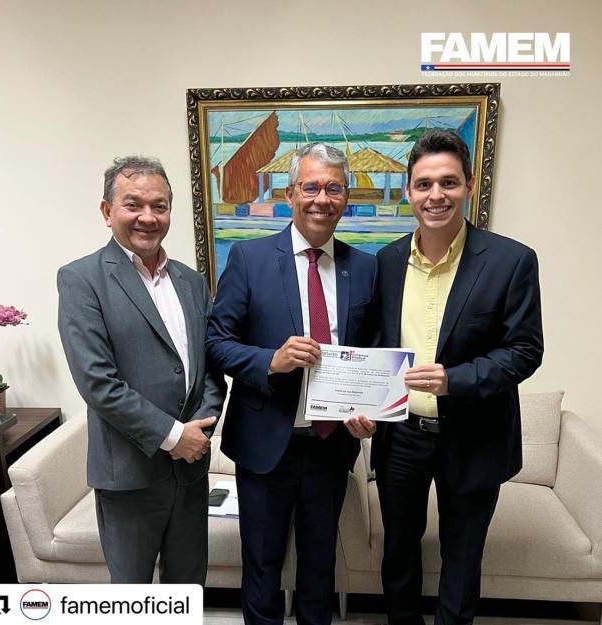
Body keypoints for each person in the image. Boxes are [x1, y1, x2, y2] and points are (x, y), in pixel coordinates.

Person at [358, 129, 544, 625]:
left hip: (475, 433)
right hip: (402, 437)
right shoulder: (387, 261)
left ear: (469, 186)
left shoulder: (511, 261)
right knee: (399, 551)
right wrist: (364, 404)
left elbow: (525, 351)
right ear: (408, 192)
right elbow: (377, 346)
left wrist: (453, 380)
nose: (435, 195)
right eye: (423, 184)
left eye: (448, 182)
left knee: (462, 557)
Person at [206, 143, 377, 625]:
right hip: (265, 445)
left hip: (331, 445)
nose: (322, 199)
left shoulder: (365, 267)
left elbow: (373, 351)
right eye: (311, 187)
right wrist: (271, 361)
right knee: (262, 566)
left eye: (334, 188)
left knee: (319, 568)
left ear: (346, 198)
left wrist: (371, 412)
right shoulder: (249, 257)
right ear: (289, 194)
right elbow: (216, 343)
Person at [57, 155, 226, 583]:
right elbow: (98, 383)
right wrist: (173, 436)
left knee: (187, 591)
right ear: (107, 211)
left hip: (190, 473)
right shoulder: (82, 280)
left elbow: (211, 369)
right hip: (129, 476)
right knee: (133, 600)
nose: (148, 217)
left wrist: (199, 433)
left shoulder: (191, 282)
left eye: (159, 206)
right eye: (133, 205)